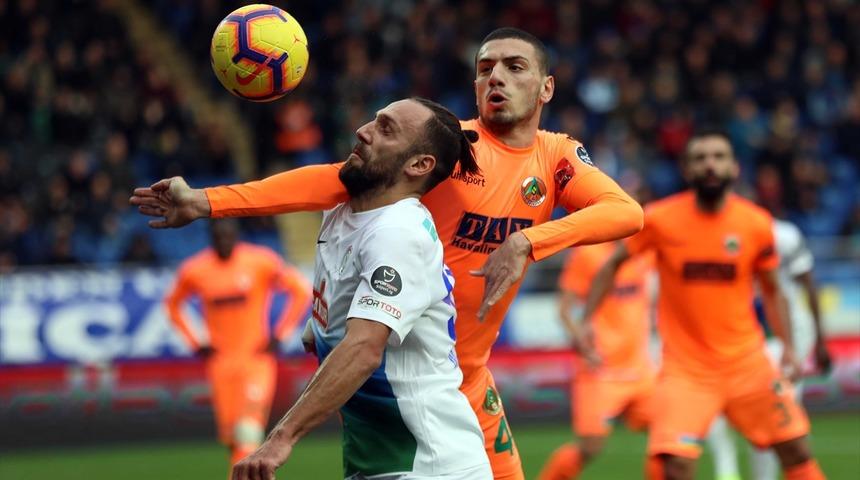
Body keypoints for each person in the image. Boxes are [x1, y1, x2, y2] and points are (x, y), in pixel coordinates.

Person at [131, 28, 644, 479]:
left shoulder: (556, 156)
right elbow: (331, 181)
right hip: (415, 374)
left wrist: (528, 241)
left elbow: (625, 212)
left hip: (469, 377)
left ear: (546, 87)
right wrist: (207, 201)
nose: (496, 77)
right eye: (485, 68)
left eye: (515, 67)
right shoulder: (454, 148)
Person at [232, 97, 492, 480]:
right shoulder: (343, 213)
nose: (363, 131)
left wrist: (280, 439)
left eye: (386, 129)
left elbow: (364, 349)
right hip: (380, 461)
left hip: (429, 464)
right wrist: (320, 330)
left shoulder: (398, 232)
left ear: (419, 165)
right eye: (374, 120)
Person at [580, 130, 826, 480]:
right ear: (686, 169)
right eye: (700, 158)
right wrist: (587, 320)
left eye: (718, 157)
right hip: (686, 372)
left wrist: (787, 346)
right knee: (675, 466)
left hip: (748, 365)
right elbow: (612, 265)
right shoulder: (660, 219)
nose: (710, 164)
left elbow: (773, 291)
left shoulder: (756, 224)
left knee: (797, 449)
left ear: (734, 167)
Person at [164, 218, 312, 468]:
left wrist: (281, 334)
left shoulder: (260, 261)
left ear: (236, 235)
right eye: (218, 237)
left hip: (255, 360)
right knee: (233, 439)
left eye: (228, 235)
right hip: (221, 365)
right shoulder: (195, 270)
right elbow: (172, 304)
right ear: (211, 238)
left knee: (248, 432)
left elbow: (300, 290)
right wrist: (196, 342)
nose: (223, 241)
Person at [706, 217, 832, 480]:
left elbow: (805, 282)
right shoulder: (708, 233)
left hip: (781, 338)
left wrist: (819, 340)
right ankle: (727, 471)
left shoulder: (783, 234)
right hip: (733, 336)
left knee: (777, 419)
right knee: (717, 407)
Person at [538, 242, 656, 480]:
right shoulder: (588, 254)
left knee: (669, 437)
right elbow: (564, 309)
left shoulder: (644, 249)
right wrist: (579, 337)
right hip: (600, 369)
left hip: (640, 370)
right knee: (590, 446)